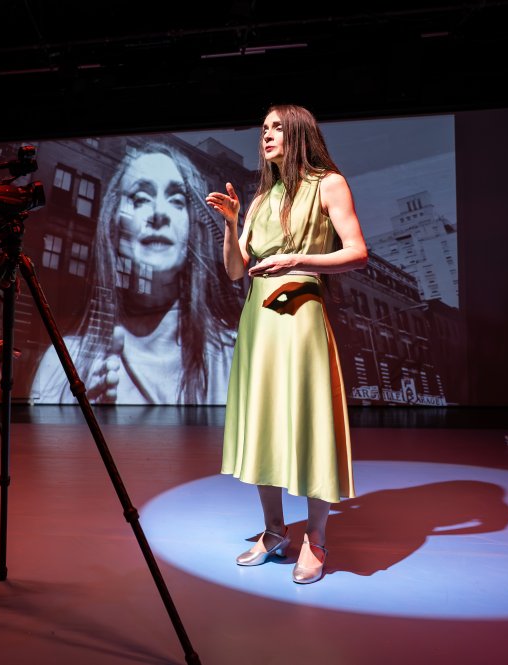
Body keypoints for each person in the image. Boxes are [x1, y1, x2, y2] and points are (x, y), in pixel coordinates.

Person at [207, 104, 368, 584]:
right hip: (259, 318)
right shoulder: (259, 199)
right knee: (263, 422)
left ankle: (315, 539)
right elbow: (236, 271)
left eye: (277, 128)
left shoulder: (328, 184)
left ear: (299, 133)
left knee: (308, 420)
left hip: (299, 314)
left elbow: (357, 252)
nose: (267, 136)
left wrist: (298, 258)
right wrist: (233, 223)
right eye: (263, 129)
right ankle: (273, 530)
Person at [30, 142, 237, 405]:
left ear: (191, 226)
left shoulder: (234, 360)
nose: (159, 213)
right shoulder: (61, 367)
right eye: (140, 199)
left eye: (176, 200)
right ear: (114, 223)